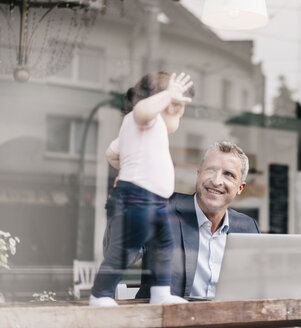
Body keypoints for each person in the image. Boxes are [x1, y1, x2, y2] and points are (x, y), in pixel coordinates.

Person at [90, 71, 194, 307]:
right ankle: (100, 294)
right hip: (138, 197)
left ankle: (160, 293)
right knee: (125, 246)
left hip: (153, 201)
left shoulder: (137, 129)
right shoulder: (147, 119)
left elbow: (110, 153)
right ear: (167, 105)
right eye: (179, 113)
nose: (179, 120)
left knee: (164, 246)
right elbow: (142, 111)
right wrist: (169, 94)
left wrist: (125, 167)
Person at [136, 141, 260, 299]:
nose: (216, 181)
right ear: (198, 173)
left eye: (228, 174)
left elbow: (255, 288)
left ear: (240, 188)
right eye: (211, 170)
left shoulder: (248, 228)